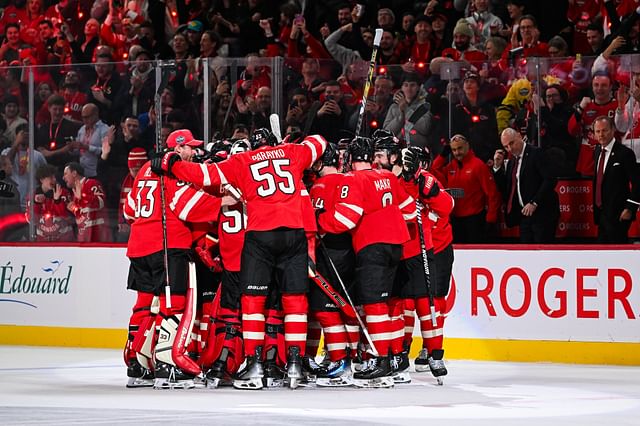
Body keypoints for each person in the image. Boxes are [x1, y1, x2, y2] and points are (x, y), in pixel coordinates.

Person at [152, 128, 328, 390]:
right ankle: (294, 365)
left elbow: (203, 174)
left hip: (261, 236)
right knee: (295, 301)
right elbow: (320, 141)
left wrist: (172, 164)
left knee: (253, 302)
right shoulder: (293, 153)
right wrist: (288, 144)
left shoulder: (241, 161)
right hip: (294, 234)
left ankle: (255, 365)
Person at [123, 129, 223, 389]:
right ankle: (168, 366)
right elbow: (188, 206)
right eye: (190, 147)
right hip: (168, 246)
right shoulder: (174, 170)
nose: (194, 151)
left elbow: (130, 209)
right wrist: (225, 200)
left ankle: (138, 363)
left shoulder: (146, 167)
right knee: (173, 305)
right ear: (178, 149)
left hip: (139, 246)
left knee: (145, 305)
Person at [316, 136, 415, 388]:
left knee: (374, 306)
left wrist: (319, 220)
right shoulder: (389, 177)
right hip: (396, 245)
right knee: (387, 304)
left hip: (373, 245)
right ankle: (391, 359)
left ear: (349, 157)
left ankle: (380, 360)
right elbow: (410, 210)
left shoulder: (353, 180)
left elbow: (346, 219)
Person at [400, 145, 455, 384]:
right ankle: (404, 349)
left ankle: (430, 350)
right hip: (413, 250)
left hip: (437, 250)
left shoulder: (429, 181)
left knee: (433, 302)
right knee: (408, 303)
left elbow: (446, 207)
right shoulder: (401, 180)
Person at [431, 134, 501, 243]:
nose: (457, 152)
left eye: (460, 148)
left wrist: (491, 218)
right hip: (455, 220)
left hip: (475, 221)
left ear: (467, 146)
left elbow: (492, 194)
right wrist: (442, 156)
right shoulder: (451, 167)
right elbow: (433, 172)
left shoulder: (478, 166)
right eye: (453, 150)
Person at [494, 128, 560, 243]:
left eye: (511, 143)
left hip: (543, 215)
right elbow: (506, 189)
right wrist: (497, 168)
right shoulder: (511, 162)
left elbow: (550, 179)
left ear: (519, 136)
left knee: (542, 254)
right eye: (506, 147)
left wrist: (534, 202)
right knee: (526, 254)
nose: (510, 148)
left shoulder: (536, 153)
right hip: (524, 216)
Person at [591, 116, 640, 243]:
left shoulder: (625, 153)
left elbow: (638, 183)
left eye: (604, 130)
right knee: (602, 254)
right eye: (598, 131)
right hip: (601, 214)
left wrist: (630, 207)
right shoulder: (597, 151)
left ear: (613, 130)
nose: (601, 134)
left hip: (619, 214)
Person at [383, 73, 434, 151]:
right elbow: (386, 132)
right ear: (402, 88)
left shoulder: (424, 106)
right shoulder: (394, 107)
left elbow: (425, 128)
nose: (409, 89)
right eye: (406, 85)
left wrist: (406, 109)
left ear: (418, 87)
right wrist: (401, 116)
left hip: (418, 150)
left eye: (412, 85)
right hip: (396, 151)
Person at [62, 162, 110, 243]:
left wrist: (83, 196)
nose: (63, 177)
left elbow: (101, 203)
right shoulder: (75, 192)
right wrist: (73, 209)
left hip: (98, 237)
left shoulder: (91, 183)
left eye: (66, 174)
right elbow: (82, 215)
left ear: (74, 173)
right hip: (84, 237)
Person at [35, 94, 82, 176]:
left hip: (64, 169)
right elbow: (40, 148)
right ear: (49, 108)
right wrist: (47, 151)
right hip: (47, 169)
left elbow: (70, 148)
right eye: (55, 109)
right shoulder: (43, 127)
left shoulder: (72, 127)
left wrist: (50, 153)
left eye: (60, 109)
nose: (57, 112)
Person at [26, 163, 74, 242]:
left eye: (54, 177)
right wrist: (37, 204)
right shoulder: (33, 196)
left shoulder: (63, 193)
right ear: (41, 180)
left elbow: (68, 217)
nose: (54, 179)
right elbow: (32, 220)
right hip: (43, 242)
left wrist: (57, 201)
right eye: (51, 177)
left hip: (65, 240)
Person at [75, 103, 110, 178]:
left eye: (87, 117)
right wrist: (72, 147)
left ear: (95, 114)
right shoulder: (81, 130)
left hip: (96, 172)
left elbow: (105, 151)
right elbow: (78, 151)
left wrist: (88, 147)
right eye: (83, 117)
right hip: (82, 172)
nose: (84, 120)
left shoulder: (104, 130)